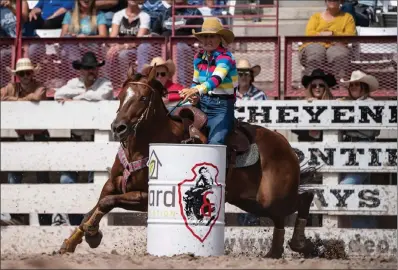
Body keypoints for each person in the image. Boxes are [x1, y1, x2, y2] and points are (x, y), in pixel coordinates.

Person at [179, 17, 238, 145]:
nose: (207, 40)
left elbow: (216, 79)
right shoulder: (198, 58)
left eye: (212, 36)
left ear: (220, 39)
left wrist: (196, 90)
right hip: (202, 104)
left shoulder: (226, 57)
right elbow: (195, 82)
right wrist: (192, 96)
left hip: (222, 107)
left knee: (216, 144)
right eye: (205, 36)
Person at [338, 70, 380, 229]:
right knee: (364, 193)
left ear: (364, 87)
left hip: (364, 149)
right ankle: (366, 231)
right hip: (348, 151)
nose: (354, 87)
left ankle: (364, 230)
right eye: (352, 85)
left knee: (347, 187)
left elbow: (370, 131)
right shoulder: (347, 104)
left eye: (357, 84)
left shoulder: (370, 103)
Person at [299, 0, 356, 80]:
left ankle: (338, 85)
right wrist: (321, 34)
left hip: (337, 46)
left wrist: (333, 33)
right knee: (316, 53)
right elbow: (309, 33)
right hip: (315, 44)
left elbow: (350, 36)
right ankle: (312, 83)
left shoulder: (347, 17)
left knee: (339, 55)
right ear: (325, 1)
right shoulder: (315, 17)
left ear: (340, 2)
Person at [106, 0, 151, 86]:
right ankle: (110, 84)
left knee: (123, 54)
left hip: (136, 49)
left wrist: (124, 46)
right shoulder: (118, 15)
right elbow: (113, 37)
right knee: (109, 53)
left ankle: (126, 83)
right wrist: (114, 47)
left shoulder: (145, 16)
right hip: (119, 47)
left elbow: (139, 40)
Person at [292, 68, 335, 142]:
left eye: (321, 85)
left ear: (325, 88)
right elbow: (294, 129)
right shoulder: (303, 104)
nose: (317, 87)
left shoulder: (333, 105)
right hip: (306, 143)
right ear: (310, 88)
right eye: (314, 86)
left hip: (327, 144)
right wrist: (309, 108)